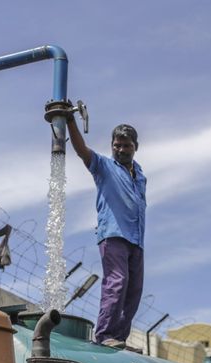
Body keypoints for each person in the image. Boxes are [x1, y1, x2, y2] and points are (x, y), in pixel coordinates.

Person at [64, 113, 146, 348]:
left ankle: (119, 337)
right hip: (113, 234)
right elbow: (81, 150)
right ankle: (104, 334)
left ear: (135, 147)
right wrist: (71, 121)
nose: (121, 149)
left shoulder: (140, 176)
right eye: (117, 145)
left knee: (134, 290)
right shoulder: (104, 166)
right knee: (117, 281)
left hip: (136, 239)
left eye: (126, 145)